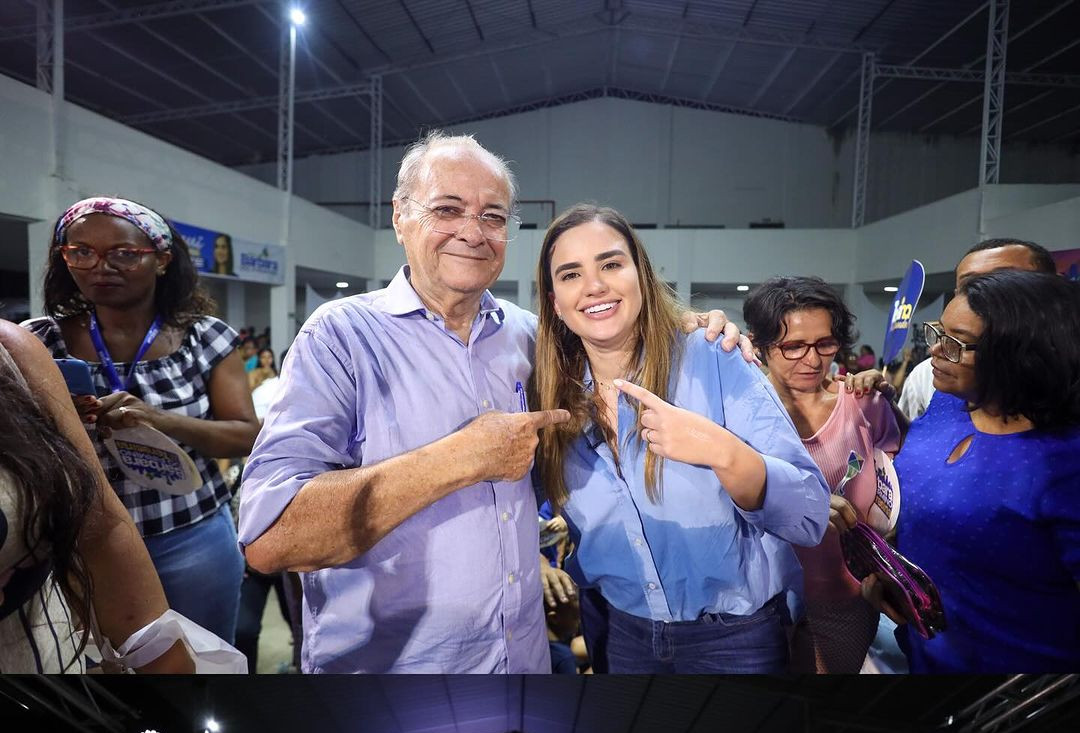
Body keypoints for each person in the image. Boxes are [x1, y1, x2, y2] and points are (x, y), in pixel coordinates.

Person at [238, 131, 748, 673]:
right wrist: (460, 458)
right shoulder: (341, 338)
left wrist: (684, 331)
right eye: (448, 210)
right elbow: (270, 537)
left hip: (520, 662)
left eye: (493, 217)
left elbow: (621, 357)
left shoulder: (533, 339)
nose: (472, 233)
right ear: (400, 217)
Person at [531, 205, 829, 674]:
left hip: (734, 640)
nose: (594, 286)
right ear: (555, 302)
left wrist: (721, 450)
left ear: (640, 276)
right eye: (571, 274)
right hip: (621, 636)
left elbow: (810, 513)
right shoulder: (550, 398)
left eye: (610, 264)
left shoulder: (714, 357)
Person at [25, 196, 259, 642]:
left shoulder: (203, 337)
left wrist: (160, 420)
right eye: (81, 252)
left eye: (124, 254)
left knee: (204, 658)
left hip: (189, 538)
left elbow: (246, 436)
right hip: (81, 543)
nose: (100, 266)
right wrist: (54, 418)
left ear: (162, 260)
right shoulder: (37, 343)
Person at [879, 269, 1080, 672]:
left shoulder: (1065, 462)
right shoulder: (946, 404)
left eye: (958, 345)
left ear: (1023, 355)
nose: (935, 351)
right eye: (938, 334)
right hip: (927, 656)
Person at [0, 321, 191, 673]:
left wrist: (161, 660)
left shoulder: (14, 351)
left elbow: (99, 526)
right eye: (80, 259)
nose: (100, 268)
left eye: (127, 259)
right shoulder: (47, 336)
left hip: (41, 658)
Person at [743, 276, 903, 671]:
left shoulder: (864, 405)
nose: (812, 360)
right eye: (793, 346)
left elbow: (896, 493)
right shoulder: (737, 415)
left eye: (825, 344)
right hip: (759, 604)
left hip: (844, 600)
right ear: (759, 345)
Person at [898, 237, 1058, 422]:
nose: (984, 293)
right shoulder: (928, 376)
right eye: (970, 285)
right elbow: (911, 444)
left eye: (1005, 283)